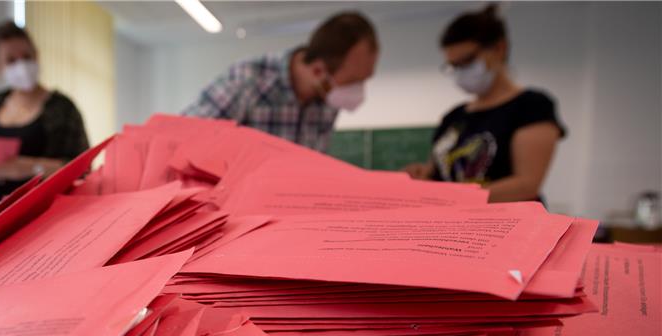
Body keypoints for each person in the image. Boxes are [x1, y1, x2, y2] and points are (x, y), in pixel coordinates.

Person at [403, 5, 565, 202]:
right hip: (456, 224)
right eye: (454, 66)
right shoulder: (454, 117)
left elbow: (526, 185)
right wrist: (423, 176)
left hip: (507, 226)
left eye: (468, 61)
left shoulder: (531, 106)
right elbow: (438, 172)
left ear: (499, 48)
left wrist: (454, 197)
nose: (461, 71)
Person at [183, 12, 378, 152]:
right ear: (319, 71)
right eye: (353, 81)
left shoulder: (327, 101)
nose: (358, 90)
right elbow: (183, 138)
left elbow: (313, 165)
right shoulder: (248, 79)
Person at [0, 21, 89, 214]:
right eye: (11, 60)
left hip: (43, 219)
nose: (22, 65)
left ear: (36, 55)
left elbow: (83, 170)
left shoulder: (62, 108)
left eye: (26, 57)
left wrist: (28, 167)